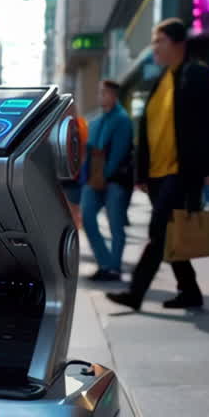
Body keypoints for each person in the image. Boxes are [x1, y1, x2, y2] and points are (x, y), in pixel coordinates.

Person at [107, 18, 209, 312]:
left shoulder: (195, 74)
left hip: (180, 170)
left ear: (178, 43)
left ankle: (135, 293)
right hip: (157, 173)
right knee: (170, 233)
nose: (154, 47)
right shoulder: (162, 80)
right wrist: (142, 173)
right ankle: (190, 291)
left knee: (158, 231)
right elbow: (148, 131)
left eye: (159, 41)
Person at [80, 79, 134, 282]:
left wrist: (105, 175)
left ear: (113, 95)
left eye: (103, 93)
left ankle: (114, 268)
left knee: (116, 224)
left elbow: (119, 152)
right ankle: (105, 263)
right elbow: (89, 150)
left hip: (115, 180)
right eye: (99, 93)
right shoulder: (96, 120)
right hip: (94, 179)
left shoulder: (122, 119)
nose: (100, 96)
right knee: (87, 218)